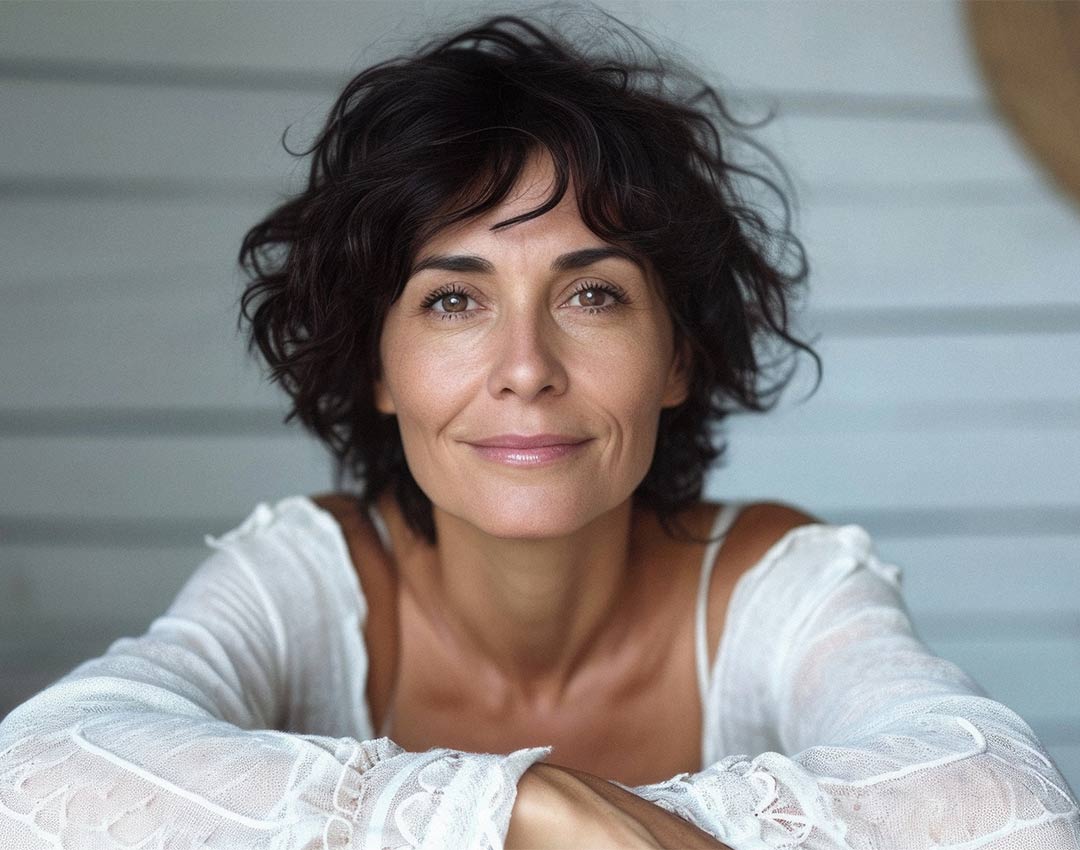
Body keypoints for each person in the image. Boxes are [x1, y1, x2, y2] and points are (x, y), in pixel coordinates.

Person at [1, 9, 1078, 850]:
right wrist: (520, 808)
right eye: (454, 300)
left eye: (592, 294)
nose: (525, 369)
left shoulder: (772, 586)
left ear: (679, 353)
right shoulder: (313, 578)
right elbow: (35, 778)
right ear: (375, 365)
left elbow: (1009, 810)